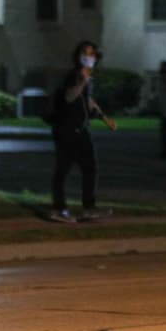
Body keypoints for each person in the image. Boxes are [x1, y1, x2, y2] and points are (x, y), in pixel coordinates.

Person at [46, 40, 116, 223]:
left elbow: (89, 101)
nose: (89, 57)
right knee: (63, 169)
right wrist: (82, 81)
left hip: (81, 130)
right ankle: (58, 209)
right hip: (66, 129)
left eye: (92, 54)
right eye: (85, 53)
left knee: (90, 168)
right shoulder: (74, 75)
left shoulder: (87, 77)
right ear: (78, 56)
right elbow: (69, 97)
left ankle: (88, 209)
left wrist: (104, 118)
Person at [158, 61, 166, 160]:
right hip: (165, 112)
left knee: (164, 133)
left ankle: (164, 152)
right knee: (164, 134)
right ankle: (164, 152)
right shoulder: (162, 80)